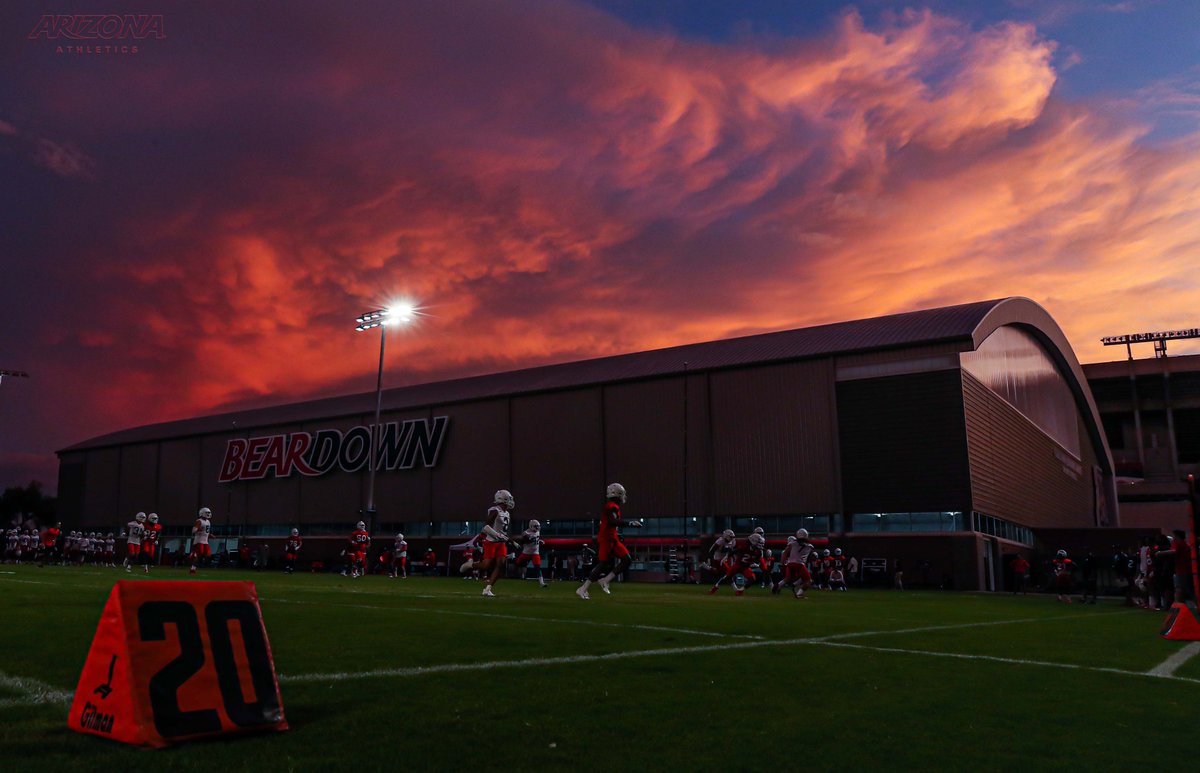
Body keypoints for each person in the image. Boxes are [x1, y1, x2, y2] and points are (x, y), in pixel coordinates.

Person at [577, 483, 643, 600]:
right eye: (622, 494)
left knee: (627, 559)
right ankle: (583, 588)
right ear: (618, 494)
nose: (624, 496)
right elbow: (613, 521)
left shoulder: (613, 506)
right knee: (602, 564)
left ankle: (605, 580)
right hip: (607, 538)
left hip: (613, 537)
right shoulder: (611, 506)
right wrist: (630, 523)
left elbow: (608, 522)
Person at [464, 489, 518, 597]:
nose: (511, 501)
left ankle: (488, 589)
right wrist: (496, 536)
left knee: (500, 564)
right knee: (485, 565)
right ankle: (470, 565)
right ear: (503, 499)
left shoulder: (506, 513)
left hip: (501, 543)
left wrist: (512, 541)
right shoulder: (495, 510)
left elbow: (503, 531)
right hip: (491, 541)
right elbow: (486, 527)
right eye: (509, 498)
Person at [774, 530, 815, 598]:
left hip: (790, 564)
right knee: (808, 581)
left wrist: (781, 563)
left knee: (788, 578)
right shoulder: (810, 546)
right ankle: (799, 594)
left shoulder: (792, 543)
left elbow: (785, 553)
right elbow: (808, 556)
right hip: (799, 564)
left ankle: (778, 587)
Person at [1159, 530, 1194, 603]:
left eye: (1175, 536)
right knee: (1182, 589)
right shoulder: (1184, 545)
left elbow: (1173, 551)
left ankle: (1181, 606)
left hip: (1183, 571)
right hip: (1181, 571)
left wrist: (1161, 553)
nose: (1174, 538)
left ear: (1178, 536)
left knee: (1182, 590)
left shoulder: (1181, 544)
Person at [513, 519, 548, 588]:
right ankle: (511, 575)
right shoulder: (526, 533)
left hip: (535, 552)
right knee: (517, 563)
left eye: (538, 526)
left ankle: (541, 582)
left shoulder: (537, 532)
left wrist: (540, 541)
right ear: (531, 526)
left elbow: (536, 539)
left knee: (537, 567)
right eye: (536, 526)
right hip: (526, 552)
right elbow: (522, 542)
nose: (538, 528)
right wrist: (527, 540)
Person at [706, 529, 738, 593]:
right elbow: (712, 550)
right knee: (728, 573)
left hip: (725, 558)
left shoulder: (733, 541)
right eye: (730, 537)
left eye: (732, 537)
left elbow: (731, 552)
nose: (732, 538)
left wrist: (734, 559)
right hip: (718, 559)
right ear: (726, 536)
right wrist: (709, 559)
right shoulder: (720, 541)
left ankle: (714, 587)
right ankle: (736, 589)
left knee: (723, 574)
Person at [189, 506, 214, 575]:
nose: (208, 514)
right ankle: (193, 569)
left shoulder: (208, 522)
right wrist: (198, 529)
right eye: (207, 513)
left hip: (205, 541)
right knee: (199, 555)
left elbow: (206, 532)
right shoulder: (199, 521)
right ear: (202, 513)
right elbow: (193, 530)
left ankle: (193, 554)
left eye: (209, 512)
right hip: (199, 541)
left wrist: (210, 535)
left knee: (208, 554)